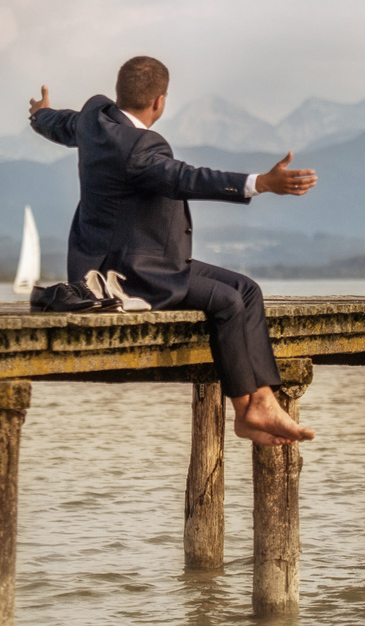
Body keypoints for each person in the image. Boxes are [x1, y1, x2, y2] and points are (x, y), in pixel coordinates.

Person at [28, 56, 318, 445]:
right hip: (130, 278)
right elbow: (185, 178)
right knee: (228, 303)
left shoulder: (93, 119)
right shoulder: (140, 148)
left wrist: (39, 113)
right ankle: (244, 410)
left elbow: (59, 123)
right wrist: (259, 182)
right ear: (159, 102)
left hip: (145, 260)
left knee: (247, 290)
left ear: (119, 93)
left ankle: (261, 400)